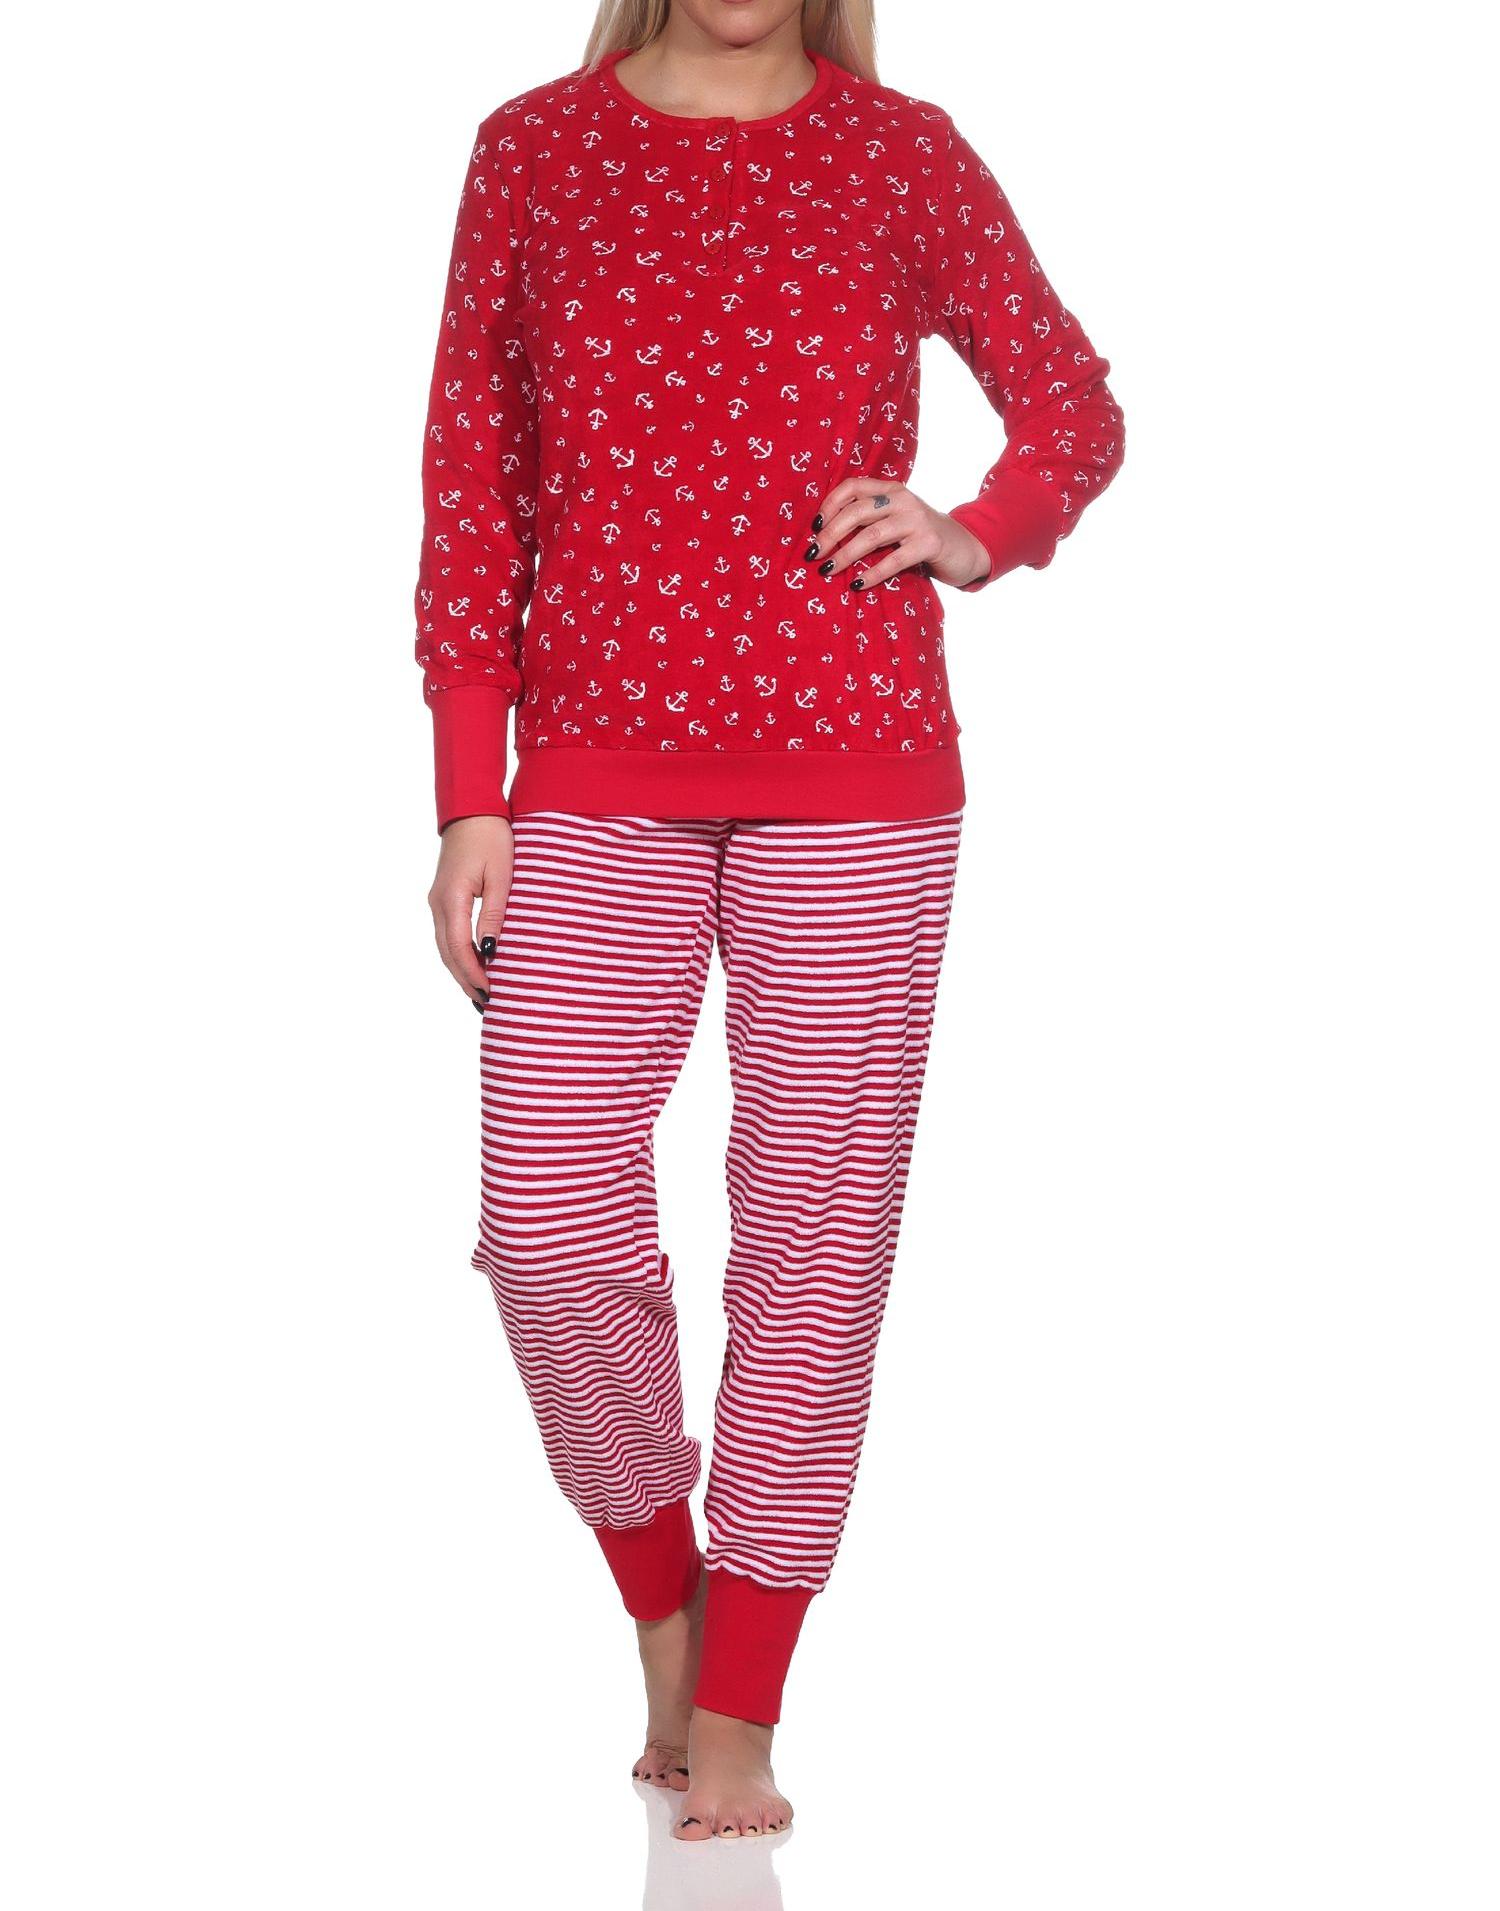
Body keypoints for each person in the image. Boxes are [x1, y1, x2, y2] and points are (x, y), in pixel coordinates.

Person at [415, 0, 1124, 1841]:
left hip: (860, 766)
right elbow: (474, 479)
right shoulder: (534, 150)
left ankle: (743, 1695)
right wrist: (472, 785)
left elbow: (1072, 401)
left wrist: (975, 528)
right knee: (543, 1211)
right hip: (591, 765)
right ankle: (668, 1605)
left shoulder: (902, 154)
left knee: (816, 1237)